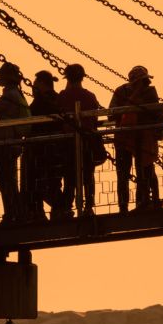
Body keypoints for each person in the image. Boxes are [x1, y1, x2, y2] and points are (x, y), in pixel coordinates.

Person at [109, 65, 163, 212]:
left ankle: (148, 201)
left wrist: (159, 130)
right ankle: (123, 206)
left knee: (146, 171)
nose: (146, 84)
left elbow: (158, 114)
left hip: (143, 138)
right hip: (124, 138)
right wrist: (133, 99)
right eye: (143, 81)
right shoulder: (121, 92)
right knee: (123, 173)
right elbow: (111, 114)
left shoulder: (150, 93)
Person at [0, 62, 30, 225]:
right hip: (13, 142)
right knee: (9, 179)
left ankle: (12, 214)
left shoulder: (9, 95)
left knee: (4, 180)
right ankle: (15, 212)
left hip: (6, 143)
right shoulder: (17, 94)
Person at [57, 63, 104, 217]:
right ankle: (88, 206)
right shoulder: (90, 96)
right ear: (82, 77)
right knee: (88, 175)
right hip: (88, 141)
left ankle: (67, 207)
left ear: (68, 78)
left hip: (68, 141)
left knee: (69, 175)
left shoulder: (62, 96)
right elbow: (95, 118)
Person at [27, 70, 67, 220]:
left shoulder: (39, 102)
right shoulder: (57, 99)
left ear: (42, 84)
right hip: (58, 148)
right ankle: (59, 209)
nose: (33, 87)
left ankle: (43, 211)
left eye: (35, 84)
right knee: (54, 181)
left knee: (38, 182)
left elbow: (30, 120)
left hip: (42, 149)